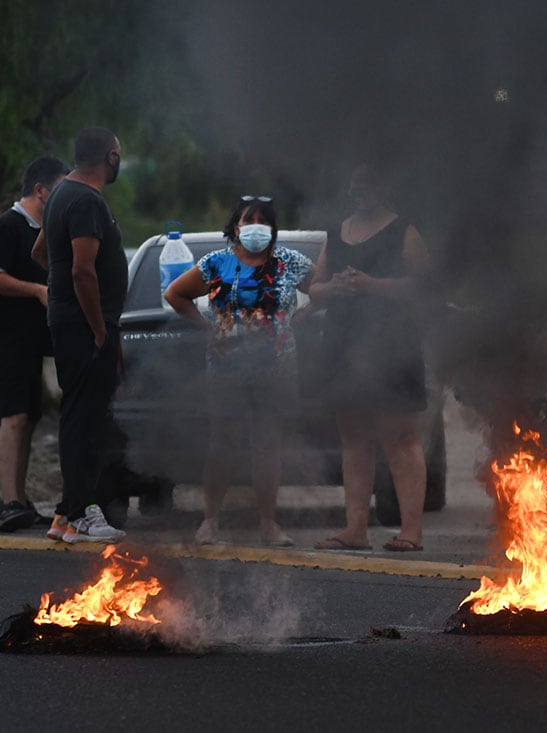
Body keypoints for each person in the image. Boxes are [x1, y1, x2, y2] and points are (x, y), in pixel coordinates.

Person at [164, 196, 313, 547]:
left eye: (263, 220)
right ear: (235, 227)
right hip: (226, 369)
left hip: (275, 369)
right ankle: (210, 522)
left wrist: (300, 318)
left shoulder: (290, 262)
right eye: (249, 220)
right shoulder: (216, 264)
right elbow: (175, 294)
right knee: (222, 444)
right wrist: (207, 328)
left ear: (273, 230)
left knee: (267, 445)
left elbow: (323, 288)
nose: (256, 226)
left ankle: (268, 524)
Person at [309, 164, 431, 552]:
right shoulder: (337, 231)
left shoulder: (404, 230)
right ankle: (354, 530)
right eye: (355, 180)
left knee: (401, 438)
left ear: (385, 185)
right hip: (344, 349)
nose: (359, 187)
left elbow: (424, 287)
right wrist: (335, 287)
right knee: (354, 438)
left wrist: (371, 286)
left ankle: (411, 531)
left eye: (368, 180)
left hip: (394, 348)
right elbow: (315, 290)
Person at [31, 127, 128, 543]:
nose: (119, 161)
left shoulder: (59, 197)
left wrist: (61, 300)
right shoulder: (86, 200)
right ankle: (83, 512)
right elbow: (81, 270)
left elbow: (40, 252)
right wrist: (98, 328)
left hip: (68, 322)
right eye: (118, 154)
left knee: (76, 415)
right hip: (86, 328)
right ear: (109, 156)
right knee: (86, 420)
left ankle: (63, 516)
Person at [0, 155, 69, 531]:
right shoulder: (7, 226)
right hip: (2, 342)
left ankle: (22, 500)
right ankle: (9, 502)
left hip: (27, 344)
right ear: (40, 190)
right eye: (59, 189)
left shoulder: (43, 230)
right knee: (13, 419)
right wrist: (36, 290)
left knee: (28, 419)